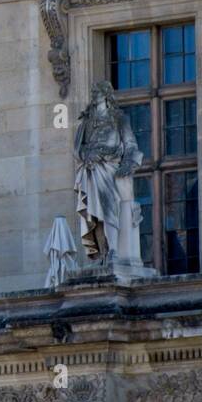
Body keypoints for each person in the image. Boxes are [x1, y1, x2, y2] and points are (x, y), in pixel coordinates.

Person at [74, 80, 144, 265]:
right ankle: (103, 251)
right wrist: (87, 155)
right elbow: (78, 149)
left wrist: (128, 164)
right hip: (92, 170)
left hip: (111, 170)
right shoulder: (87, 123)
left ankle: (113, 249)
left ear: (106, 95)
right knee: (94, 214)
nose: (95, 94)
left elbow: (130, 145)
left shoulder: (119, 119)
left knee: (109, 209)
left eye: (98, 91)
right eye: (93, 91)